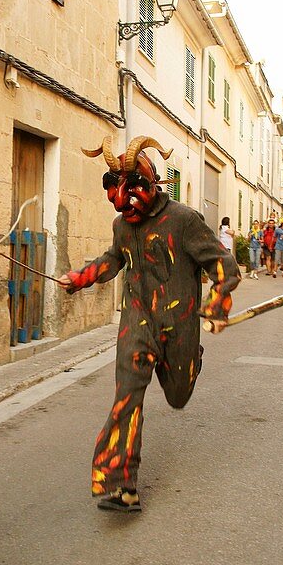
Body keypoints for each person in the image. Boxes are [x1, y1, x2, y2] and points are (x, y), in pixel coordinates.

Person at [59, 135, 239, 513]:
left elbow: (224, 264)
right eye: (115, 190)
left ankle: (190, 363)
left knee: (177, 396)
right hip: (137, 322)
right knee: (127, 395)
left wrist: (218, 302)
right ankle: (119, 484)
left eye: (133, 189)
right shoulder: (123, 225)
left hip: (180, 325)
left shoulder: (184, 220)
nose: (123, 202)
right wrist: (80, 278)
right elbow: (113, 259)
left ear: (154, 183)